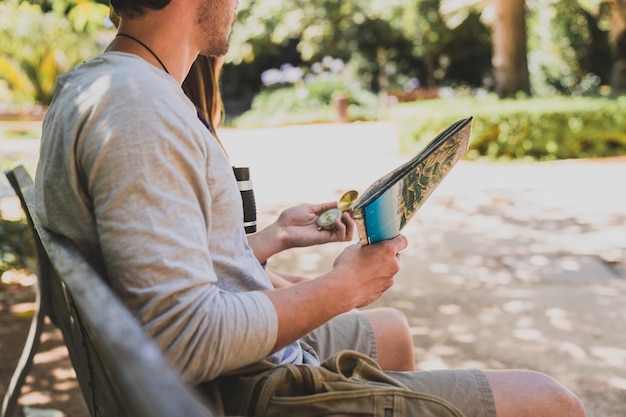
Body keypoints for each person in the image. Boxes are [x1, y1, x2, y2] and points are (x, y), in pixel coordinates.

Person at [33, 0, 586, 415]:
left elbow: (156, 269)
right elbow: (186, 340)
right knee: (551, 402)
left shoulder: (109, 85)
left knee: (390, 330)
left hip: (210, 375)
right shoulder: (138, 108)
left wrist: (267, 240)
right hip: (239, 391)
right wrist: (342, 288)